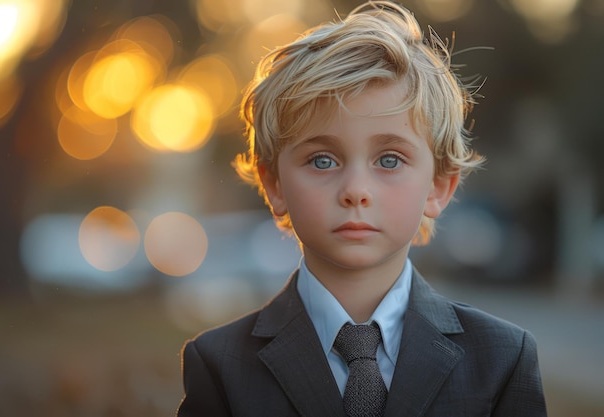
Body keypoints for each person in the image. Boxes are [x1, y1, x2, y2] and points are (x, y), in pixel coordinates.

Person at [176, 1, 547, 416]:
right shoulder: (220, 365)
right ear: (274, 184)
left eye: (389, 160)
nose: (355, 191)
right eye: (322, 160)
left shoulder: (501, 359)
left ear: (438, 187)